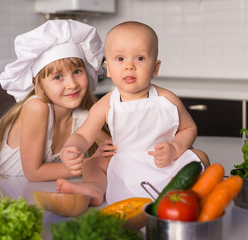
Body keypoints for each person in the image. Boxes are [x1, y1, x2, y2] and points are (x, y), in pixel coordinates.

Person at [57, 21, 210, 206]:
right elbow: (83, 134)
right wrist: (71, 148)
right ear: (108, 69)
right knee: (92, 164)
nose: (129, 66)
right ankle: (93, 189)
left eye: (140, 58)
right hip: (124, 164)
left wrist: (175, 148)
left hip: (164, 162)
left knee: (200, 157)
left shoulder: (167, 99)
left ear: (155, 67)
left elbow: (189, 128)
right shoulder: (106, 104)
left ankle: (177, 190)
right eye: (120, 59)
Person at [0, 19, 113, 181]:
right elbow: (34, 173)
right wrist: (92, 162)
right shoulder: (37, 107)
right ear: (37, 82)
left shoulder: (83, 115)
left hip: (14, 185)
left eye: (76, 72)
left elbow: (114, 152)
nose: (72, 84)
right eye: (58, 77)